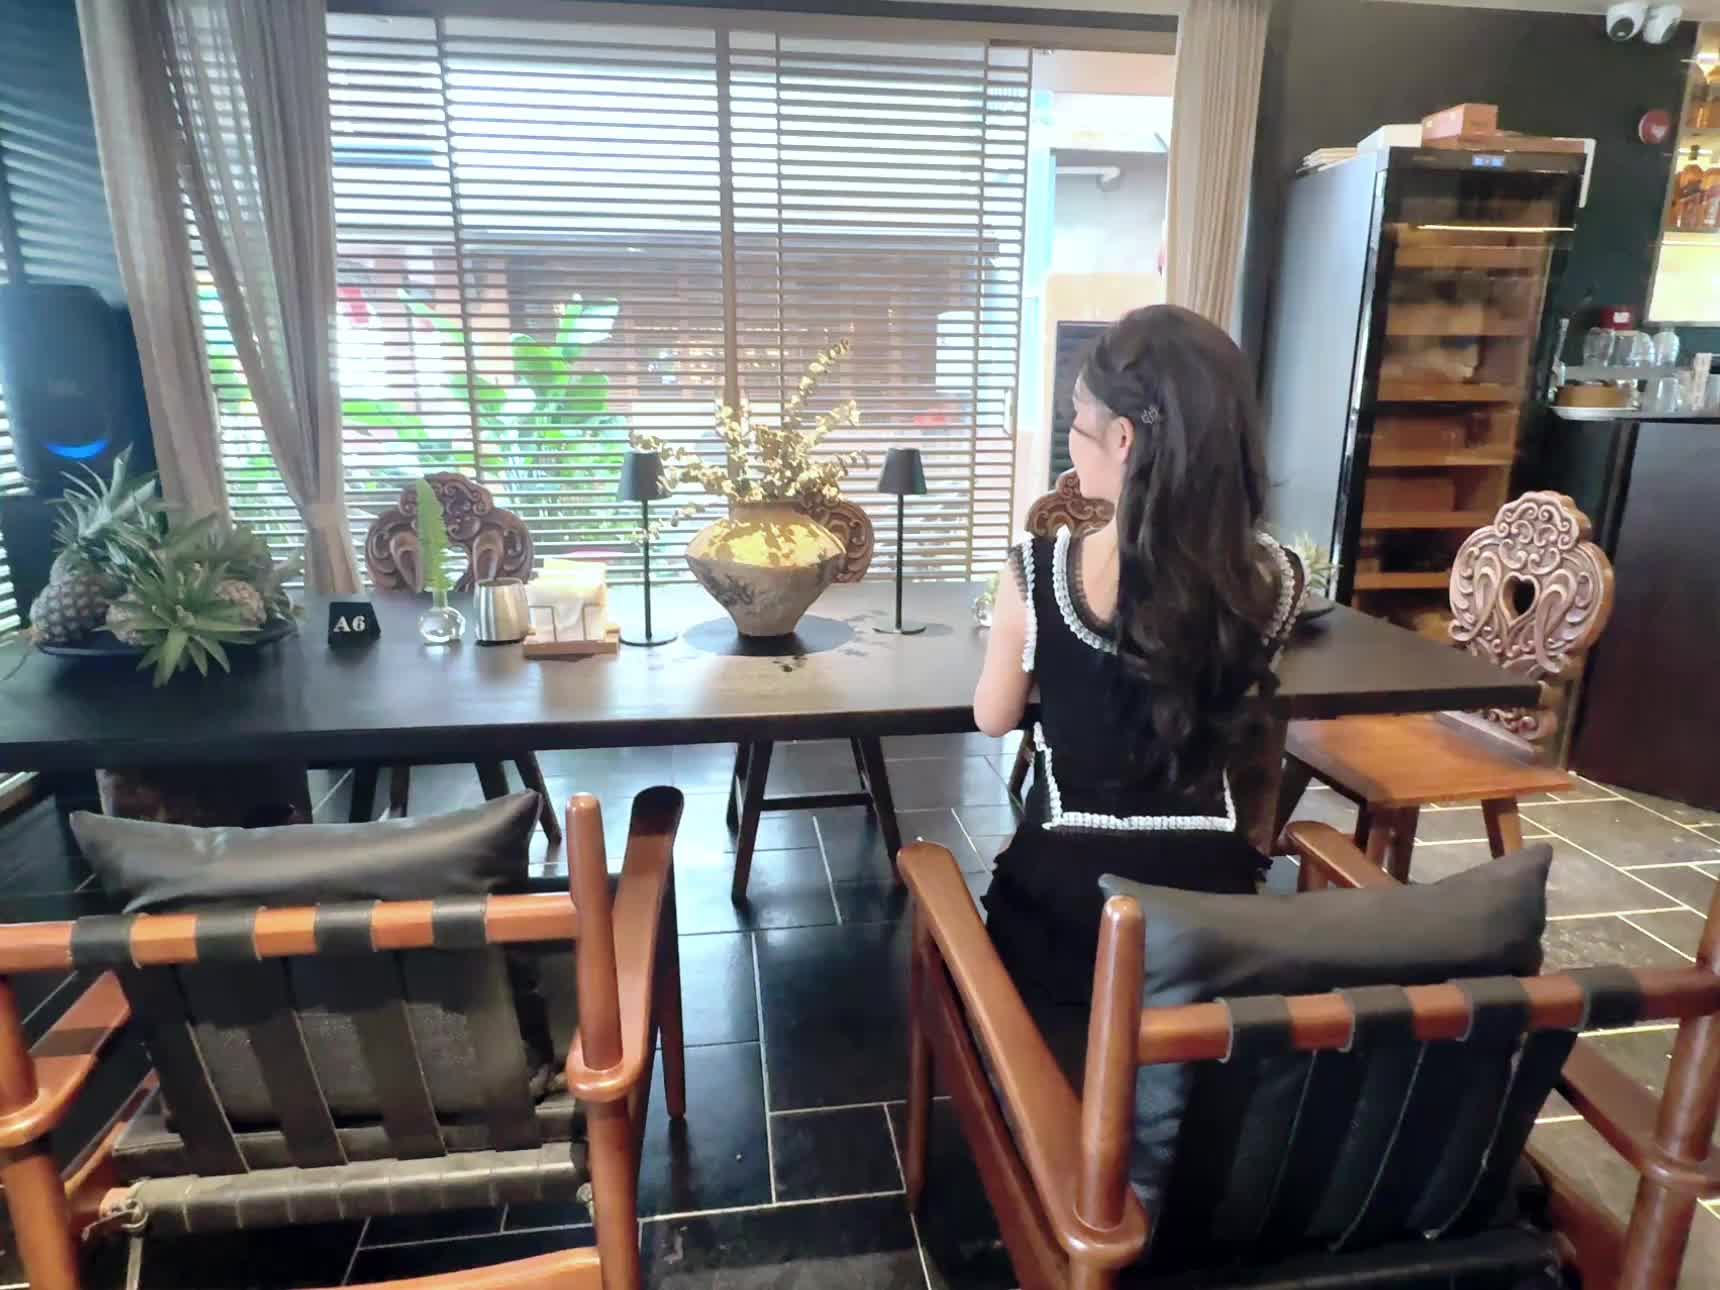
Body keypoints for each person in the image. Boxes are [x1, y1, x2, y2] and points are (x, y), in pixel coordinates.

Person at [973, 304, 1303, 1015]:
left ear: (1123, 438)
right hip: (1213, 919)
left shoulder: (1038, 569)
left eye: (1077, 420)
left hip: (1065, 916)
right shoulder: (1276, 579)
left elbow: (995, 716)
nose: (1071, 441)